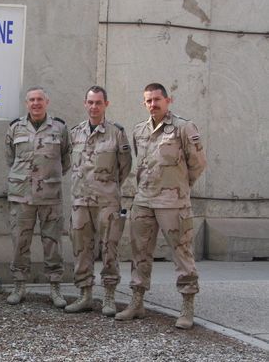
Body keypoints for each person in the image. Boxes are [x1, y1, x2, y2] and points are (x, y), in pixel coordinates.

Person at [115, 83, 206, 329]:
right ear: (144, 103)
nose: (153, 104)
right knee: (139, 253)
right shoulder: (139, 130)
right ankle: (137, 302)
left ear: (168, 100)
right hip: (143, 201)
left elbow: (197, 164)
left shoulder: (183, 128)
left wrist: (179, 187)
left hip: (173, 203)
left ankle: (187, 308)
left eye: (157, 99)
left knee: (182, 254)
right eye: (148, 100)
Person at [65, 86, 131, 316]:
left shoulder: (116, 133)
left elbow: (125, 167)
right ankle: (85, 295)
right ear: (85, 104)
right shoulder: (74, 133)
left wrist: (107, 187)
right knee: (81, 249)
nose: (94, 107)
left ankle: (109, 297)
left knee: (109, 249)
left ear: (106, 105)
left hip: (107, 202)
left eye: (98, 103)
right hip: (81, 201)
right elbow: (68, 164)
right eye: (90, 102)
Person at [5, 86, 71, 307]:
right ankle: (19, 285)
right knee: (19, 242)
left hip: (50, 196)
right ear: (27, 103)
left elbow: (66, 160)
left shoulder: (60, 128)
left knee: (52, 243)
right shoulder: (15, 128)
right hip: (22, 196)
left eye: (39, 99)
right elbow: (10, 158)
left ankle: (55, 287)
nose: (36, 103)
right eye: (32, 100)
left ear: (47, 102)